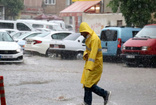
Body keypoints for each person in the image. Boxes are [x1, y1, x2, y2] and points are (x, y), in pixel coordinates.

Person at [79, 22, 111, 105]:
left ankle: (104, 94)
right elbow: (88, 50)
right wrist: (85, 54)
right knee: (87, 84)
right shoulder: (89, 38)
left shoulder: (94, 39)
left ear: (86, 31)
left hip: (95, 66)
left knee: (88, 84)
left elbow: (93, 54)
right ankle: (88, 102)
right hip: (90, 65)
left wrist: (89, 66)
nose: (81, 34)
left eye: (81, 32)